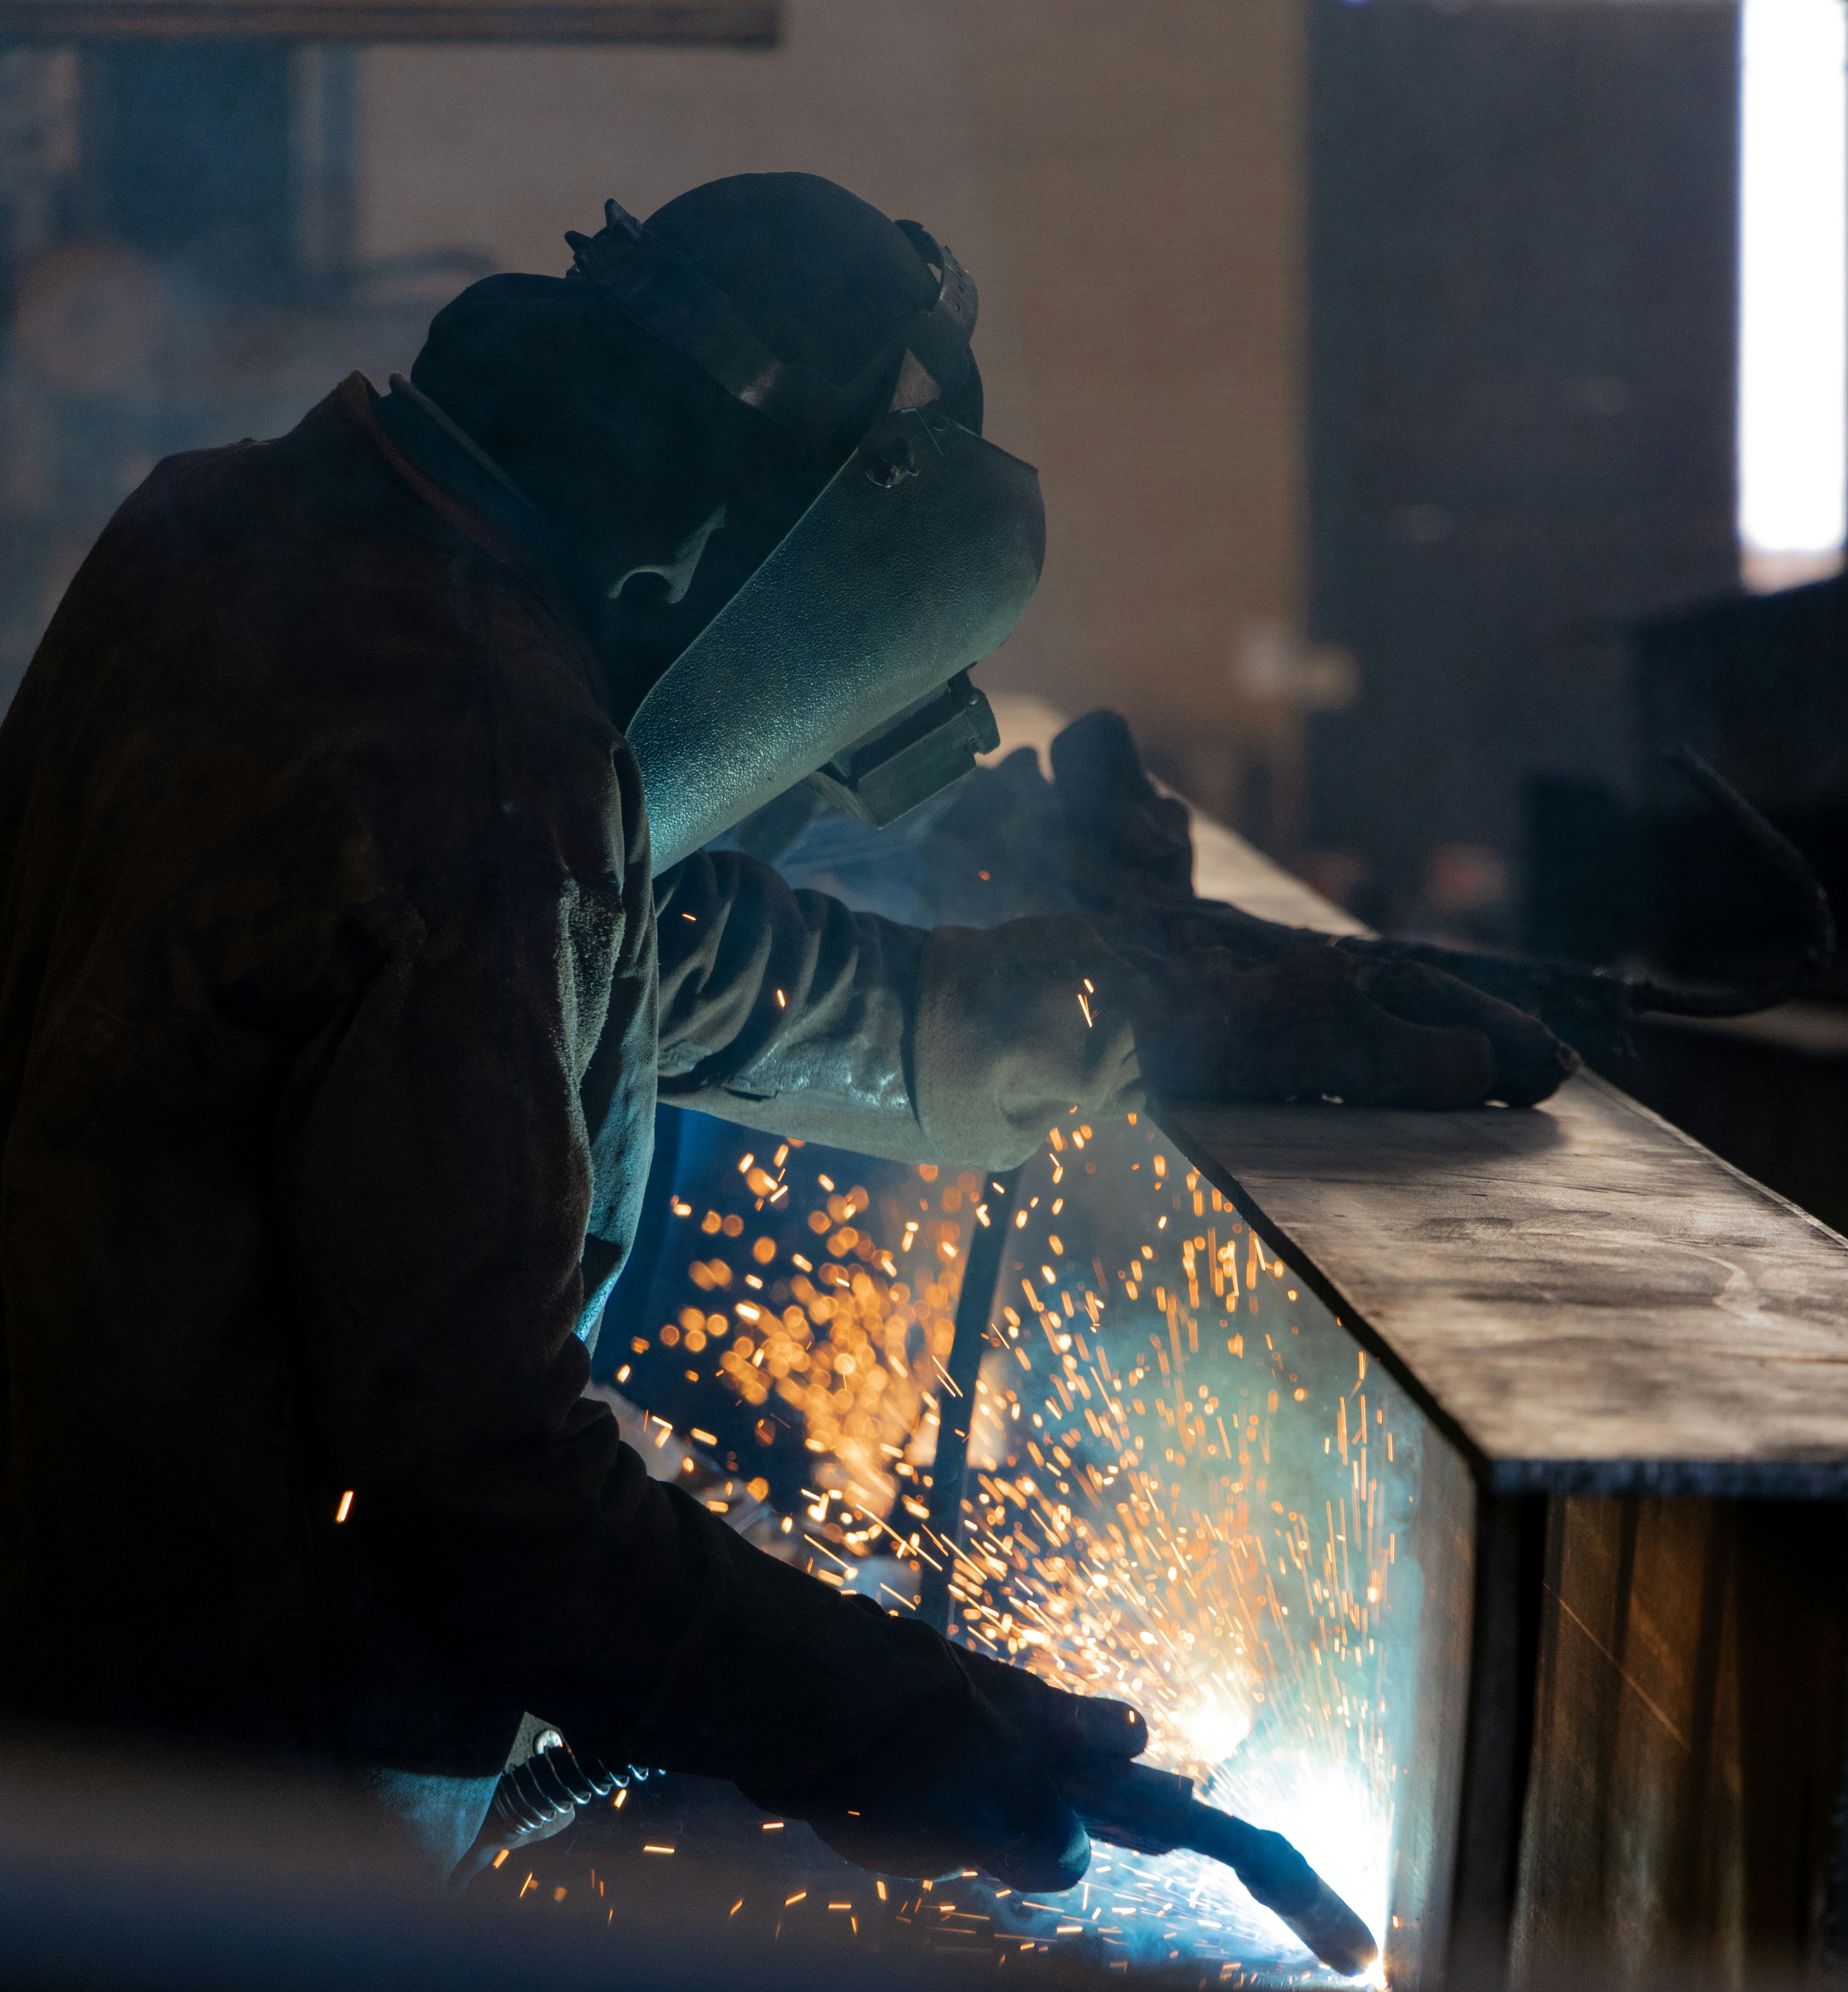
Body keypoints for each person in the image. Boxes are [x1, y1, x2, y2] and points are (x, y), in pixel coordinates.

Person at [0, 172, 1571, 1888]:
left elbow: (642, 961)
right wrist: (913, 1724)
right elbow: (487, 1489)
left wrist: (1116, 1014)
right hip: (189, 1824)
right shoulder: (480, 759)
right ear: (727, 557)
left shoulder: (247, 528)